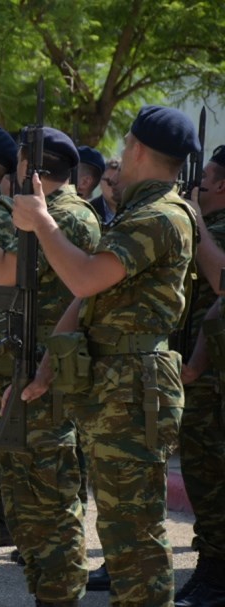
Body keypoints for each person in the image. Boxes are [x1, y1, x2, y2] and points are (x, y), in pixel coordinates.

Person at [15, 105, 199, 605]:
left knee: (134, 537)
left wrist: (42, 224)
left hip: (134, 386)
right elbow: (91, 296)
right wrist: (52, 363)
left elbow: (85, 278)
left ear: (138, 149)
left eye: (124, 149)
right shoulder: (141, 211)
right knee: (120, 533)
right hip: (115, 381)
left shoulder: (162, 215)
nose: (120, 159)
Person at [0, 126, 100, 606]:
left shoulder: (65, 218)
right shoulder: (46, 214)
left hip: (45, 381)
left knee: (48, 508)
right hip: (24, 375)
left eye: (18, 162)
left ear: (32, 168)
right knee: (26, 507)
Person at [172, 144, 225, 605]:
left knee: (211, 477)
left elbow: (220, 280)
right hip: (199, 372)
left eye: (206, 176)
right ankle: (210, 567)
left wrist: (195, 218)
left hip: (212, 377)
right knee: (202, 474)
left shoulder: (217, 227)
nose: (198, 183)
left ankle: (215, 573)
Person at [89, 158, 121, 225]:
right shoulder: (88, 210)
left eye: (119, 181)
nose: (114, 185)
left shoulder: (137, 209)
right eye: (110, 181)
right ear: (100, 182)